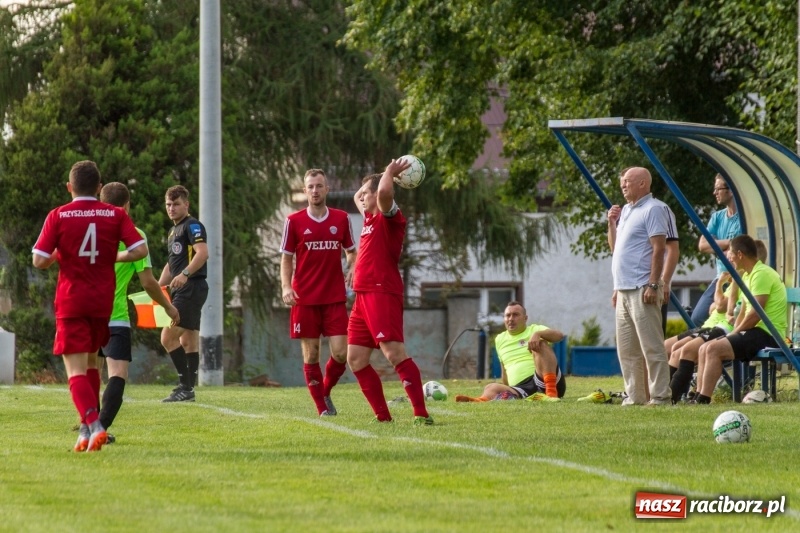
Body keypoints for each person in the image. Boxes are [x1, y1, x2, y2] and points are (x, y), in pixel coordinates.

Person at [32, 161, 148, 452]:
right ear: (99, 188)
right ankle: (85, 432)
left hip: (72, 300)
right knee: (92, 363)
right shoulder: (114, 214)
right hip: (103, 302)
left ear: (70, 187)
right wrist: (113, 257)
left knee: (75, 370)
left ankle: (95, 425)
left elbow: (39, 260)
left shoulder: (59, 215)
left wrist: (60, 254)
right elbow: (140, 249)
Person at [346, 158, 433, 425]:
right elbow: (355, 195)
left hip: (381, 292)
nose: (362, 198)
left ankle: (421, 414)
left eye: (366, 193)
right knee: (356, 359)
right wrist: (366, 187)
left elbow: (383, 192)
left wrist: (389, 174)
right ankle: (383, 417)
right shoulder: (370, 218)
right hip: (363, 296)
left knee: (394, 354)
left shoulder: (389, 216)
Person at [95, 182, 180, 437]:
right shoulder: (134, 234)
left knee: (89, 372)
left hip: (84, 312)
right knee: (117, 374)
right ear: (127, 205)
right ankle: (98, 429)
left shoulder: (88, 229)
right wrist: (169, 308)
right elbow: (148, 283)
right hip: (114, 316)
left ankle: (88, 423)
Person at [280, 169, 356, 416]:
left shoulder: (341, 219)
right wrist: (285, 286)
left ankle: (324, 390)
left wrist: (353, 267)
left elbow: (351, 251)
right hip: (305, 299)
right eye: (310, 186)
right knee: (311, 354)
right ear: (305, 191)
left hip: (334, 297)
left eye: (319, 186)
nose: (315, 190)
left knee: (342, 353)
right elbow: (286, 259)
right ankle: (322, 407)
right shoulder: (294, 221)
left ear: (327, 190)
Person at [607, 167, 674, 405]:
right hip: (624, 289)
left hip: (642, 287)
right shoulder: (625, 211)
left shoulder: (653, 208)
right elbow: (616, 251)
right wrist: (611, 224)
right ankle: (634, 397)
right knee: (627, 350)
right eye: (622, 182)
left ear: (643, 183)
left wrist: (653, 284)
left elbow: (659, 249)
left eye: (627, 181)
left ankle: (660, 396)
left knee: (652, 347)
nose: (623, 185)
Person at [692, 235, 786, 404]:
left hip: (769, 333)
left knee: (713, 349)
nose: (730, 260)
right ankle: (698, 396)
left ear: (740, 254)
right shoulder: (749, 275)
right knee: (705, 348)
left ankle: (703, 399)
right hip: (756, 331)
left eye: (731, 256)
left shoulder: (761, 274)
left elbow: (756, 314)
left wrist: (735, 333)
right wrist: (734, 331)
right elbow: (743, 310)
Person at [455, 301, 565, 402]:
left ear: (525, 318)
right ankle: (479, 401)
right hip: (520, 389)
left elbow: (559, 336)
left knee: (541, 344)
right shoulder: (499, 339)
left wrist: (538, 334)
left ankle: (551, 393)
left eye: (516, 315)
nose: (511, 319)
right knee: (490, 387)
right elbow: (504, 369)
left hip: (542, 380)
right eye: (508, 315)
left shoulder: (534, 329)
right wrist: (506, 388)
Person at [159, 185, 209, 402]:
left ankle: (185, 386)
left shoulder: (193, 225)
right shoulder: (173, 231)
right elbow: (172, 264)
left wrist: (186, 274)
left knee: (167, 337)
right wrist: (158, 286)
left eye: (176, 204)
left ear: (186, 205)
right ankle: (188, 388)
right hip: (185, 288)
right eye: (168, 204)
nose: (172, 208)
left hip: (191, 287)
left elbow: (203, 253)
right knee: (189, 340)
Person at [690, 174, 741, 326]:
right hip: (721, 276)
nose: (714, 193)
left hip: (738, 277)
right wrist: (730, 242)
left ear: (730, 191)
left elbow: (741, 252)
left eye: (718, 189)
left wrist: (719, 247)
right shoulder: (717, 217)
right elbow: (703, 245)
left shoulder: (745, 217)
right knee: (697, 317)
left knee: (729, 313)